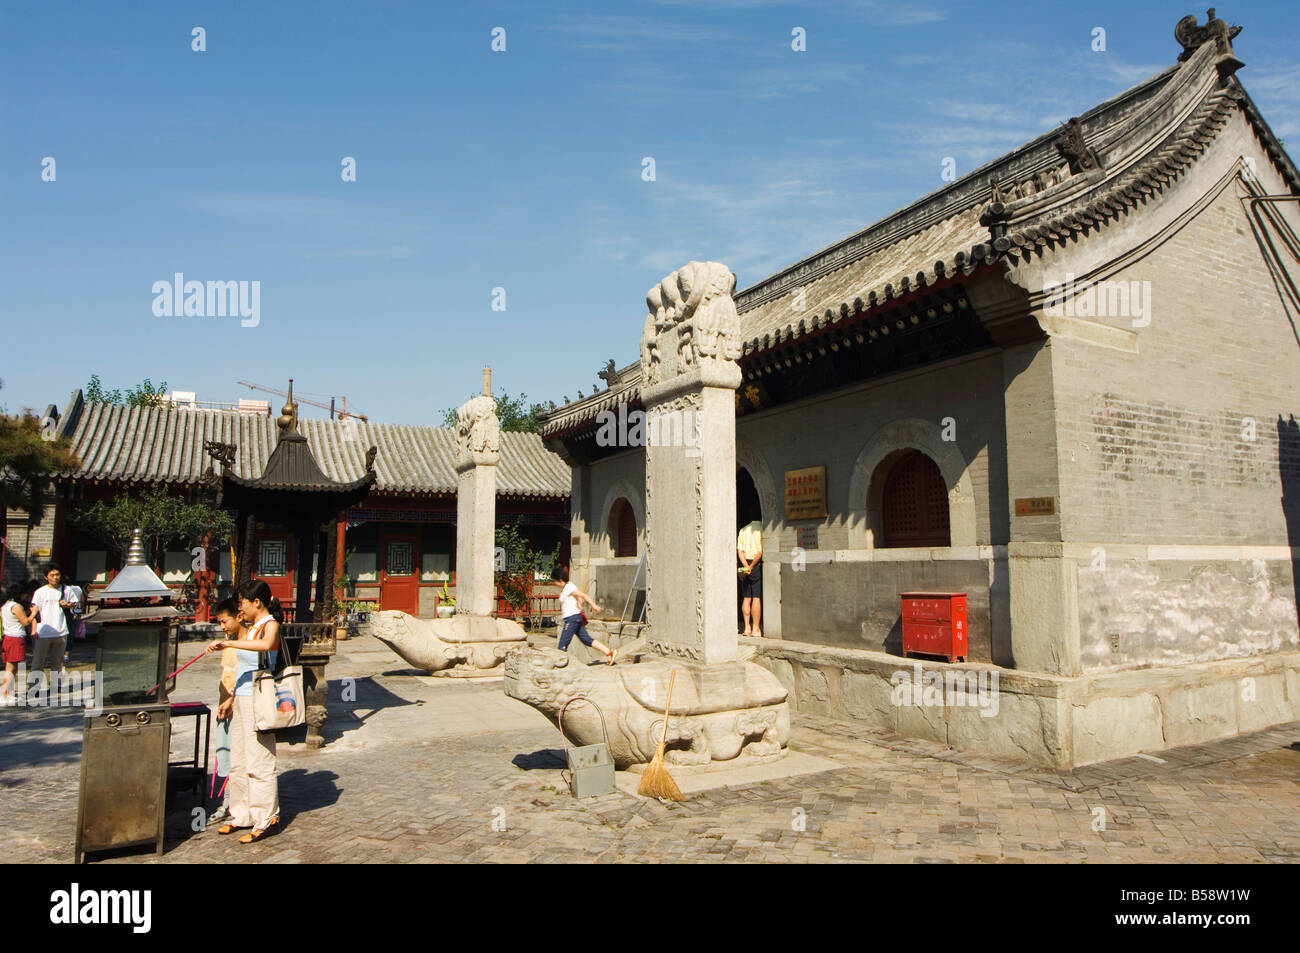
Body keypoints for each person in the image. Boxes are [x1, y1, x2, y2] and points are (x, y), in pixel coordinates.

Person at [204, 579, 281, 844]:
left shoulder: (269, 625)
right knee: (239, 759)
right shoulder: (250, 628)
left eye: (242, 603)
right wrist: (230, 698)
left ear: (256, 602)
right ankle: (241, 813)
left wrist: (230, 644)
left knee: (259, 759)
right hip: (242, 697)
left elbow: (267, 646)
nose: (240, 609)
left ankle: (266, 816)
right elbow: (243, 669)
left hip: (260, 699)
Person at [206, 597, 245, 826]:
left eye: (224, 621)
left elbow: (245, 677)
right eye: (219, 623)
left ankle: (230, 804)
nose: (222, 627)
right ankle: (227, 802)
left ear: (238, 616)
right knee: (225, 754)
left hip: (236, 705)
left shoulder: (247, 643)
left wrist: (231, 699)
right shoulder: (229, 641)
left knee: (235, 756)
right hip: (224, 705)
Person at [551, 566, 615, 663]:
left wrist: (594, 606)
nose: (554, 584)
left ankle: (560, 664)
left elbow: (582, 595)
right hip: (575, 617)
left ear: (560, 580)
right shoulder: (567, 588)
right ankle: (609, 652)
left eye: (554, 581)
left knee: (562, 644)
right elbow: (579, 597)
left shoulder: (568, 587)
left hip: (572, 619)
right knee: (586, 640)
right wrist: (579, 605)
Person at [30, 563, 74, 679]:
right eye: (52, 575)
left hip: (61, 631)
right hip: (43, 631)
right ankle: (35, 687)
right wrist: (34, 629)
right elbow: (34, 612)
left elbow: (75, 605)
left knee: (58, 662)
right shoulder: (40, 592)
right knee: (38, 662)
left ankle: (56, 685)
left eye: (57, 574)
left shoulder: (67, 590)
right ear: (46, 577)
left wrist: (68, 605)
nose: (55, 577)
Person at [1, 580, 39, 704]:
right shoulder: (16, 606)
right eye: (24, 594)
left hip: (9, 637)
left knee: (13, 668)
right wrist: (34, 613)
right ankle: (4, 694)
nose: (26, 596)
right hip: (15, 638)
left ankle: (10, 693)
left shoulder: (5, 605)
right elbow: (26, 622)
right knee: (10, 669)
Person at [737, 521, 763, 636]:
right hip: (755, 564)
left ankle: (747, 628)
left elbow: (740, 550)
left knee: (746, 597)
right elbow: (760, 552)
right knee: (756, 597)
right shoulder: (761, 529)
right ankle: (756, 628)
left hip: (745, 564)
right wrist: (751, 566)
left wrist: (746, 566)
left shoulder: (743, 530)